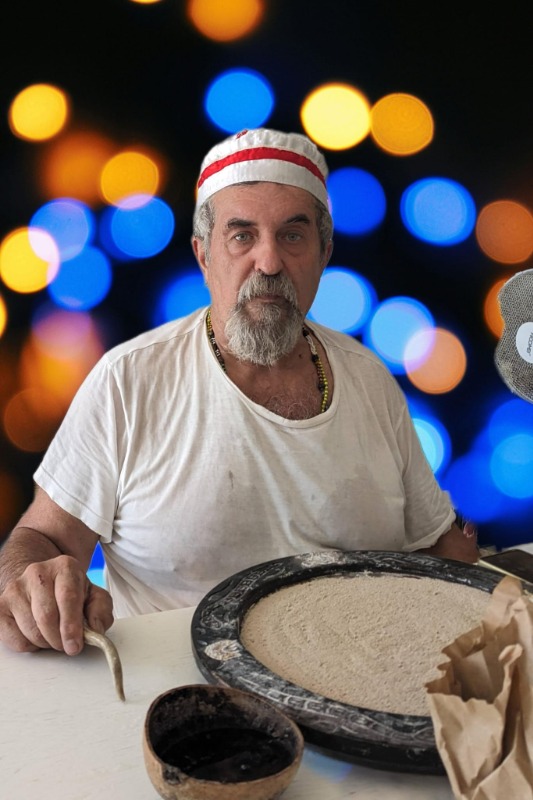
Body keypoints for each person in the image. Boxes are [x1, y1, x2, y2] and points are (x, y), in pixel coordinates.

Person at [0, 128, 478, 656]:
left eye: (292, 236)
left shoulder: (370, 380)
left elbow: (440, 544)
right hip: (175, 695)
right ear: (204, 254)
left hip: (355, 684)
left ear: (324, 253)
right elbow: (42, 540)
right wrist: (33, 583)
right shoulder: (128, 381)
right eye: (242, 236)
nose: (269, 263)